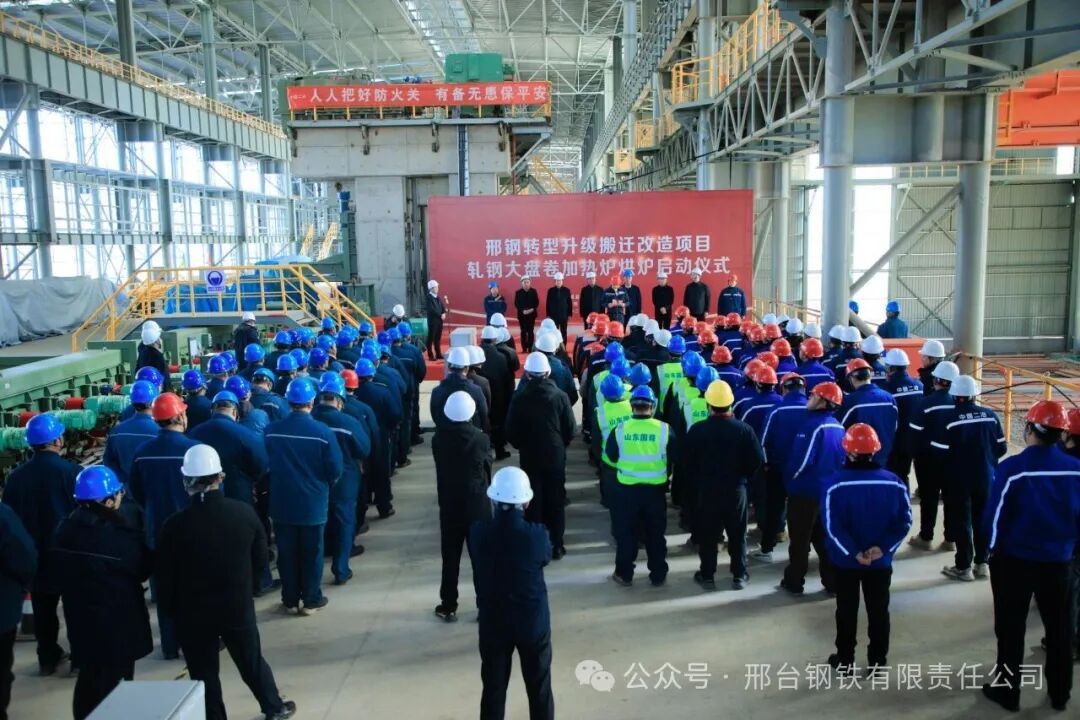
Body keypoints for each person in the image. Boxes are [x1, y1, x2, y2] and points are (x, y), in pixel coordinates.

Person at [157, 446, 296, 720]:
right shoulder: (243, 513)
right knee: (250, 659)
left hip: (193, 613)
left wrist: (171, 612)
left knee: (203, 671)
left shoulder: (173, 526)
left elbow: (165, 576)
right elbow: (261, 559)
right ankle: (273, 706)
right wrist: (249, 587)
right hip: (236, 605)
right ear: (220, 477)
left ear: (186, 482)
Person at [981, 401, 1080, 713]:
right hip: (1059, 562)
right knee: (1060, 629)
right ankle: (1060, 693)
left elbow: (994, 517)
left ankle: (1008, 692)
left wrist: (990, 551)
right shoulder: (1075, 470)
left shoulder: (1013, 468)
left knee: (1011, 629)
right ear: (1062, 434)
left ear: (1029, 429)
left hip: (1015, 562)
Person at [46, 466, 150, 720]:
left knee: (89, 680)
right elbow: (142, 568)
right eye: (118, 493)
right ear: (107, 501)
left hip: (81, 622)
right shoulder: (119, 538)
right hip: (117, 625)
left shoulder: (64, 530)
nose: (121, 497)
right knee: (117, 686)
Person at [821, 424, 912, 675]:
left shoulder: (834, 484)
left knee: (846, 610)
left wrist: (853, 553)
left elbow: (832, 527)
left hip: (847, 563)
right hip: (880, 563)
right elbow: (904, 522)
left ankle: (845, 659)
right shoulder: (894, 483)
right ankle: (878, 661)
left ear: (847, 450)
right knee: (879, 610)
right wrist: (882, 549)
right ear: (875, 450)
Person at [470, 467, 554, 720]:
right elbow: (545, 557)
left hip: (494, 622)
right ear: (526, 502)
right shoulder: (537, 536)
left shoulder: (478, 533)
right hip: (531, 623)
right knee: (539, 689)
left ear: (493, 500)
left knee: (493, 689)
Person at [2, 414, 78, 676]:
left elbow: (10, 519)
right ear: (57, 440)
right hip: (68, 553)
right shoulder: (70, 472)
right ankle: (79, 658)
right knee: (75, 607)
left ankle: (47, 657)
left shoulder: (16, 477)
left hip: (35, 554)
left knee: (43, 609)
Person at [264, 378, 343, 615]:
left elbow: (264, 464)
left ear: (288, 401)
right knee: (312, 553)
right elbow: (335, 469)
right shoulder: (322, 433)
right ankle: (311, 599)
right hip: (312, 504)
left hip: (282, 503)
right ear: (312, 401)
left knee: (286, 553)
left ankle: (289, 599)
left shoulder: (271, 431)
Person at [129, 392, 197, 659]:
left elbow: (136, 492)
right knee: (193, 588)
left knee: (165, 591)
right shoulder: (193, 450)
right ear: (180, 416)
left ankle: (170, 645)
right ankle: (194, 642)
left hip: (156, 530)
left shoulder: (142, 453)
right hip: (191, 533)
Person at [681, 381, 762, 590]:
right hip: (736, 490)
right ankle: (739, 575)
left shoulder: (698, 430)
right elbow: (757, 461)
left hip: (707, 491)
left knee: (708, 535)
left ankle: (707, 575)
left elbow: (686, 464)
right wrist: (743, 478)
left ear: (708, 404)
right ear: (730, 404)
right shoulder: (744, 430)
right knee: (738, 534)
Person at [928, 375, 1006, 582]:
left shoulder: (948, 419)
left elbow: (938, 453)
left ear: (955, 396)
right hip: (986, 478)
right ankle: (982, 563)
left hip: (958, 481)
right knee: (982, 519)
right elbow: (1002, 448)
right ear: (974, 395)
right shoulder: (990, 416)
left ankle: (963, 567)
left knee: (962, 521)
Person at [506, 353, 576, 559]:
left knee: (533, 500)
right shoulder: (560, 396)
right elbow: (570, 429)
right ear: (548, 372)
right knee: (555, 499)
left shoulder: (520, 398)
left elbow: (511, 430)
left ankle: (536, 545)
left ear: (527, 374)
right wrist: (560, 444)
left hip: (530, 454)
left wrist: (522, 445)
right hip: (554, 454)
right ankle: (557, 545)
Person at [604, 386, 674, 587]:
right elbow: (675, 456)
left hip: (627, 492)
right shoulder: (664, 430)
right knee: (655, 535)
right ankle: (658, 574)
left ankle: (624, 574)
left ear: (631, 406)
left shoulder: (620, 430)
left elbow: (611, 456)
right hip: (655, 493)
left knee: (627, 535)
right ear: (652, 406)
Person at [780, 382, 846, 595]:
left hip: (805, 494)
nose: (809, 397)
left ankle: (794, 581)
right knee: (824, 539)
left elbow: (801, 462)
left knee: (800, 541)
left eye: (814, 395)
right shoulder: (838, 426)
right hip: (827, 494)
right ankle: (832, 582)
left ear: (824, 402)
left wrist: (788, 482)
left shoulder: (812, 427)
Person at [432, 391, 491, 622]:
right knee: (481, 558)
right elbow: (487, 469)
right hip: (477, 505)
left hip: (450, 504)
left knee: (450, 557)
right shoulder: (481, 439)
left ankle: (448, 605)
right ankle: (484, 606)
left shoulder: (439, 439)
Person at [311, 373, 371, 586]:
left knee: (318, 524)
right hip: (344, 482)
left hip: (316, 481)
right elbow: (363, 448)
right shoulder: (348, 422)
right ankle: (341, 569)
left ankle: (317, 568)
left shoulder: (310, 420)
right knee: (344, 523)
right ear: (339, 400)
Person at [906, 360, 960, 551]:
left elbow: (914, 433)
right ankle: (951, 539)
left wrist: (914, 454)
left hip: (928, 459)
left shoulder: (925, 403)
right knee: (951, 498)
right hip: (954, 460)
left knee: (929, 498)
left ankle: (926, 537)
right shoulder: (959, 403)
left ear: (936, 380)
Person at [755, 373, 809, 561]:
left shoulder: (776, 410)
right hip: (804, 472)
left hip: (778, 470)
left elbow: (763, 442)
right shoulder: (812, 410)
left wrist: (767, 464)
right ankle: (802, 553)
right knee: (803, 514)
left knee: (773, 509)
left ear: (784, 388)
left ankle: (767, 550)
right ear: (803, 388)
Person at [353, 359, 399, 521]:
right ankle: (384, 506)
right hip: (379, 437)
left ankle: (364, 504)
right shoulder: (382, 392)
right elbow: (395, 414)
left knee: (362, 474)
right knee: (381, 472)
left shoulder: (351, 397)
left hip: (358, 439)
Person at [837, 359, 898, 466]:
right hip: (884, 456)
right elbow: (894, 426)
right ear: (869, 375)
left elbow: (839, 429)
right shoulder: (889, 398)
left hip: (859, 459)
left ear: (852, 378)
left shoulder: (851, 401)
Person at [881, 349, 922, 488]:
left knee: (892, 474)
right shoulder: (919, 386)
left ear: (890, 368)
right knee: (904, 473)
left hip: (895, 440)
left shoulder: (886, 389)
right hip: (913, 438)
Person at [430, 347, 489, 432]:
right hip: (471, 434)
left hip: (445, 434)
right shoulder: (476, 390)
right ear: (467, 368)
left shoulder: (436, 391)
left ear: (449, 366)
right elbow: (484, 414)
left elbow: (435, 416)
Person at [515, 276, 541, 352]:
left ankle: (530, 348)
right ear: (521, 283)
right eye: (524, 282)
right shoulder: (518, 292)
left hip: (531, 315)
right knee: (523, 331)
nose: (526, 284)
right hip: (522, 315)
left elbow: (536, 302)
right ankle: (524, 348)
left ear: (530, 283)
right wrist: (523, 310)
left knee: (530, 331)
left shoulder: (533, 291)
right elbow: (516, 303)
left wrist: (531, 309)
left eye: (527, 282)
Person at [544, 273, 572, 342]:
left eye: (560, 280)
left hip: (564, 315)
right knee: (554, 332)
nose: (558, 282)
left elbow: (569, 303)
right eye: (557, 280)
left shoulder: (566, 290)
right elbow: (548, 303)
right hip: (553, 316)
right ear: (555, 281)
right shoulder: (551, 291)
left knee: (563, 332)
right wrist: (548, 315)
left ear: (562, 281)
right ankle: (555, 346)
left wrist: (569, 314)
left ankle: (563, 346)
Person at [425, 279, 447, 361]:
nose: (437, 288)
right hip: (433, 321)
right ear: (431, 288)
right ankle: (430, 355)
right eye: (436, 287)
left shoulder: (437, 297)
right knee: (431, 338)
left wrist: (444, 312)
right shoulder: (428, 298)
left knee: (437, 338)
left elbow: (442, 307)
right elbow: (432, 309)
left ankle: (438, 354)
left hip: (439, 321)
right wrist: (440, 315)